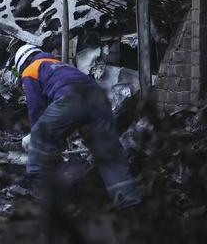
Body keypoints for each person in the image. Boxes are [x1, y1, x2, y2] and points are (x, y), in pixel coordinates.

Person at [14, 43, 141, 208]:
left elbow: (36, 107)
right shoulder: (61, 65)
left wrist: (35, 135)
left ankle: (42, 200)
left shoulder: (30, 69)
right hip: (98, 99)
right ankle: (130, 205)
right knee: (109, 157)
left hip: (71, 99)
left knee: (40, 142)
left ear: (22, 63)